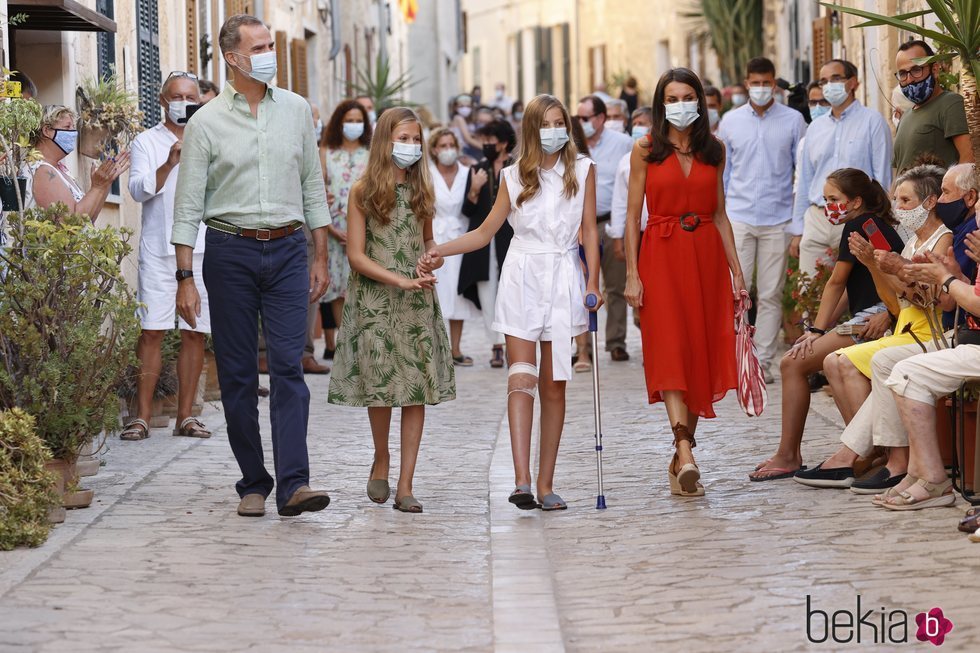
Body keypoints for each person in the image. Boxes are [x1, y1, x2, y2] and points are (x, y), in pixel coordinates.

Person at [172, 14, 331, 518]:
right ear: (233, 59)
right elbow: (188, 205)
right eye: (259, 47)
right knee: (239, 375)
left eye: (270, 45)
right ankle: (253, 482)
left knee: (288, 367)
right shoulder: (205, 122)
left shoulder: (297, 110)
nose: (269, 53)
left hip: (288, 250)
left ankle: (294, 485)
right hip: (229, 251)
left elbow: (312, 186)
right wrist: (184, 278)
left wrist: (320, 253)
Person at [420, 93, 601, 512]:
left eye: (562, 124)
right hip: (522, 275)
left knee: (555, 385)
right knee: (522, 377)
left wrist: (593, 280)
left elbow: (589, 231)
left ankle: (545, 481)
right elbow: (484, 232)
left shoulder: (584, 170)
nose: (556, 131)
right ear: (532, 131)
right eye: (547, 124)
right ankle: (520, 480)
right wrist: (440, 250)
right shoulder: (514, 175)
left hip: (562, 278)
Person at [795, 163, 979, 493]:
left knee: (865, 362)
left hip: (931, 332)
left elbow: (937, 300)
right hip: (909, 328)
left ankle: (881, 458)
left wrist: (911, 273)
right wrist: (876, 266)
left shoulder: (944, 239)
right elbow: (897, 304)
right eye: (896, 200)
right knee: (836, 361)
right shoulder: (911, 244)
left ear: (930, 202)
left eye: (905, 201)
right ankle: (872, 454)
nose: (898, 209)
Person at [327, 107, 455, 514]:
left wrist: (432, 258)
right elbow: (355, 256)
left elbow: (429, 241)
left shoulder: (423, 190)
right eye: (404, 138)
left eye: (417, 140)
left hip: (417, 297)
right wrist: (397, 279)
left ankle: (406, 483)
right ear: (385, 140)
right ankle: (381, 456)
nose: (412, 146)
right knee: (381, 387)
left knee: (415, 389)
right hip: (376, 299)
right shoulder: (363, 191)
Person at [624, 68, 743, 497]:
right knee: (671, 350)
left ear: (700, 101)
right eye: (671, 97)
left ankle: (681, 456)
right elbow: (632, 215)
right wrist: (633, 274)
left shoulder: (716, 151)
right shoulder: (645, 149)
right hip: (661, 254)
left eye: (687, 95)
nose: (680, 104)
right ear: (660, 104)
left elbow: (720, 214)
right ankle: (684, 447)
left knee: (700, 353)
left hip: (707, 258)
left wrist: (737, 273)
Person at [749, 168, 904, 481]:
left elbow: (836, 282)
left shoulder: (859, 225)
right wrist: (825, 326)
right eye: (825, 199)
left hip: (878, 315)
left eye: (834, 199)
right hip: (878, 311)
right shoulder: (872, 223)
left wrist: (816, 331)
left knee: (792, 364)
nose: (828, 206)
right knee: (799, 362)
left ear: (855, 201)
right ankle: (859, 449)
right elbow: (854, 285)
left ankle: (792, 454)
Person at [120, 71, 211, 442]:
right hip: (159, 251)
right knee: (152, 332)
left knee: (195, 333)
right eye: (175, 97)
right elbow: (139, 191)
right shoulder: (145, 142)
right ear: (162, 100)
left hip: (205, 249)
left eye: (189, 97)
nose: (183, 103)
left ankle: (185, 416)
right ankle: (141, 417)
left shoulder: (210, 139)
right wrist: (170, 162)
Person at [717, 57, 807, 382]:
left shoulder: (794, 120)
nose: (759, 88)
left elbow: (802, 173)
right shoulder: (729, 122)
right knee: (735, 292)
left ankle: (763, 362)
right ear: (746, 83)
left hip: (778, 217)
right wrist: (721, 217)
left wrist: (797, 221)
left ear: (774, 83)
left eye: (765, 82)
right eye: (754, 83)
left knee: (770, 292)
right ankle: (733, 358)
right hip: (738, 217)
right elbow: (722, 175)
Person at [793, 59, 893, 278]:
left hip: (855, 217)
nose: (829, 85)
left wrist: (876, 224)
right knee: (809, 291)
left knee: (853, 290)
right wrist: (798, 229)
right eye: (824, 81)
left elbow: (882, 179)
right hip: (817, 217)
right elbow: (806, 181)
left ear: (853, 82)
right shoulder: (815, 128)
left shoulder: (873, 122)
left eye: (836, 79)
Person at [577, 94, 634, 361]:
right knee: (578, 284)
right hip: (579, 226)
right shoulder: (572, 144)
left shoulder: (623, 144)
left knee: (615, 284)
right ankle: (581, 347)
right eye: (578, 118)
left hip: (610, 221)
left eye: (585, 118)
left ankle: (616, 341)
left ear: (600, 119)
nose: (581, 122)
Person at [458, 119, 517, 368]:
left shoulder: (517, 168)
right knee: (486, 290)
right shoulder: (478, 169)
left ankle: (513, 343)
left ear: (503, 143)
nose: (485, 145)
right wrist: (474, 189)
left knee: (510, 290)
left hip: (511, 239)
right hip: (482, 243)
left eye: (490, 140)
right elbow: (467, 209)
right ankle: (496, 346)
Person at [320, 99, 372, 361]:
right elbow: (317, 192)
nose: (353, 125)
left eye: (358, 120)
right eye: (348, 120)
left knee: (362, 284)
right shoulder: (326, 151)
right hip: (334, 229)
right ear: (339, 122)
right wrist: (330, 229)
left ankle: (364, 338)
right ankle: (345, 344)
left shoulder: (372, 153)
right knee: (338, 287)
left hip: (366, 229)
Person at [428, 127, 481, 365]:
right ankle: (433, 349)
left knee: (457, 294)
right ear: (434, 149)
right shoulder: (426, 174)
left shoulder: (469, 173)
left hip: (460, 237)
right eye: (443, 146)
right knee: (434, 292)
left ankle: (455, 349)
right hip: (433, 237)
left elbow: (473, 206)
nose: (448, 150)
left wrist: (475, 190)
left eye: (452, 145)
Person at [24, 105, 130, 216]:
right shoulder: (43, 171)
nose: (73, 132)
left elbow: (89, 219)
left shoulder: (60, 169)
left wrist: (105, 183)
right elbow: (71, 225)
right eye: (67, 127)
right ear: (46, 131)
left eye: (73, 127)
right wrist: (97, 187)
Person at [893, 40, 973, 173]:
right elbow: (900, 172)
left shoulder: (951, 103)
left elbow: (968, 160)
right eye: (902, 73)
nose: (909, 79)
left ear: (935, 69)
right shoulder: (905, 117)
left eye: (916, 69)